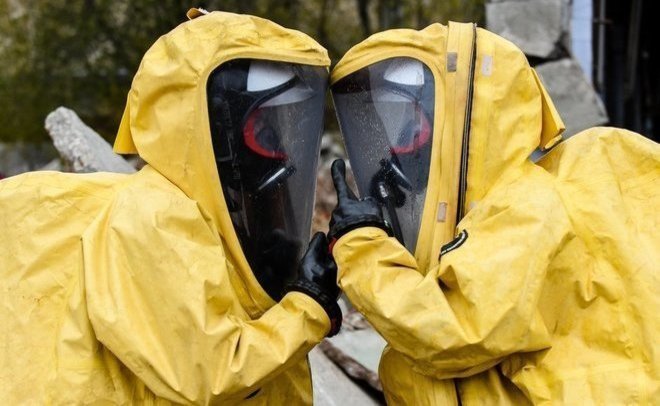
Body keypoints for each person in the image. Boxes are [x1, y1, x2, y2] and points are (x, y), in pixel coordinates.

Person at [0, 9, 341, 404]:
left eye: (281, 126)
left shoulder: (217, 209)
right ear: (215, 126)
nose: (279, 148)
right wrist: (308, 303)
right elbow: (211, 370)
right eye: (262, 127)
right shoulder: (155, 216)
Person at [327, 22, 660, 404]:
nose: (401, 150)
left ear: (467, 118)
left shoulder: (523, 208)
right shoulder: (495, 213)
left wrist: (360, 243)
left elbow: (449, 329)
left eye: (414, 128)